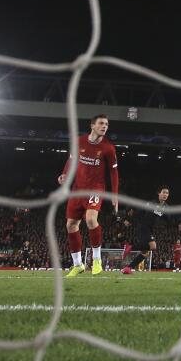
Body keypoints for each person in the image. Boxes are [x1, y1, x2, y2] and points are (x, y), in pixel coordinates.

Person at [58, 114, 119, 277]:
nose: (104, 126)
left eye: (106, 124)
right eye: (101, 123)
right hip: (77, 189)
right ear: (92, 125)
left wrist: (115, 194)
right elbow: (71, 159)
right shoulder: (79, 141)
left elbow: (114, 172)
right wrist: (64, 174)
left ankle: (97, 261)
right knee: (71, 225)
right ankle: (78, 265)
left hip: (95, 188)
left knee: (91, 219)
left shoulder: (108, 148)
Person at [121, 185, 169, 275]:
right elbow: (140, 211)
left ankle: (128, 268)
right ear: (159, 193)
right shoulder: (152, 203)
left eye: (167, 193)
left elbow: (169, 218)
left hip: (150, 229)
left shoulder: (165, 207)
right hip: (143, 226)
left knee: (145, 253)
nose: (165, 194)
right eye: (164, 192)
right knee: (153, 246)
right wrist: (129, 219)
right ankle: (130, 247)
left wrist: (179, 225)